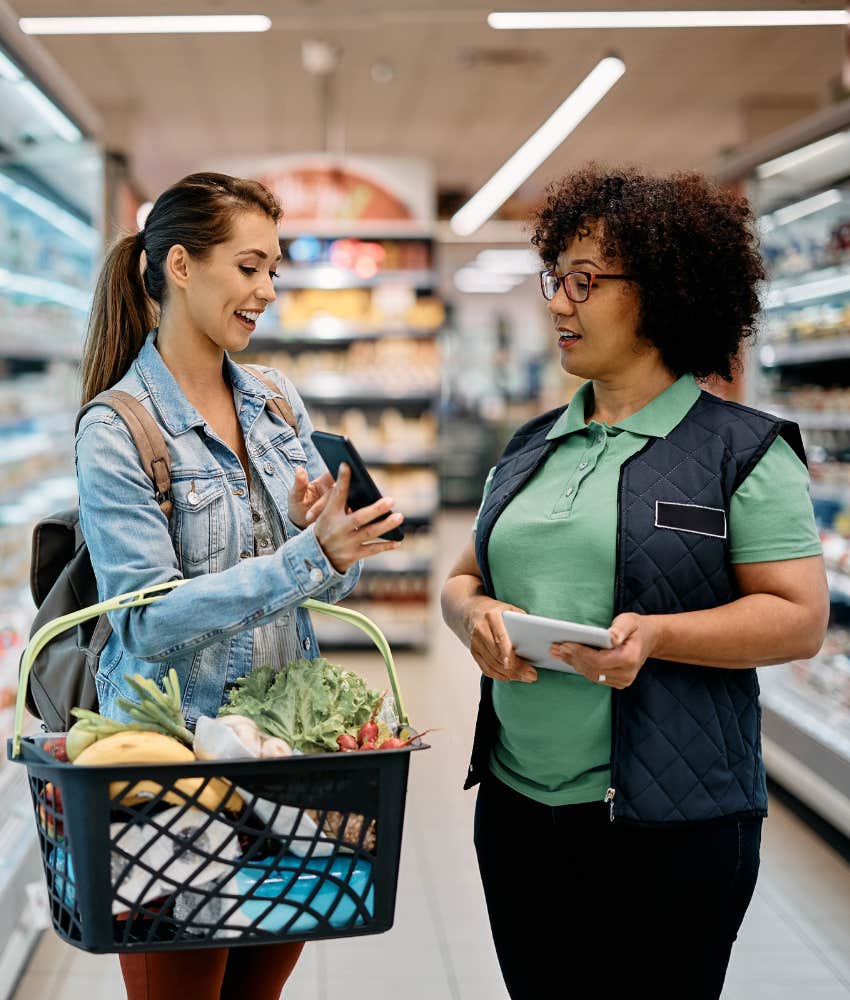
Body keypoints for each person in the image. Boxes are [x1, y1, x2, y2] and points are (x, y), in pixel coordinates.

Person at [440, 165, 829, 1000]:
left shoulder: (741, 450)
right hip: (516, 810)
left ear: (663, 291)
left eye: (586, 282)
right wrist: (473, 615)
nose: (558, 304)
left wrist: (658, 636)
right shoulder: (533, 443)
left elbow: (798, 618)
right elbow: (464, 576)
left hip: (673, 821)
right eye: (557, 279)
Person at [75, 172, 405, 999]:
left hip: (278, 762)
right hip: (171, 771)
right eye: (249, 267)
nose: (266, 291)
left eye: (274, 272)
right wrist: (302, 559)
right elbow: (145, 623)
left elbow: (332, 585)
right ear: (180, 265)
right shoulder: (118, 429)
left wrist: (326, 539)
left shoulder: (274, 401)